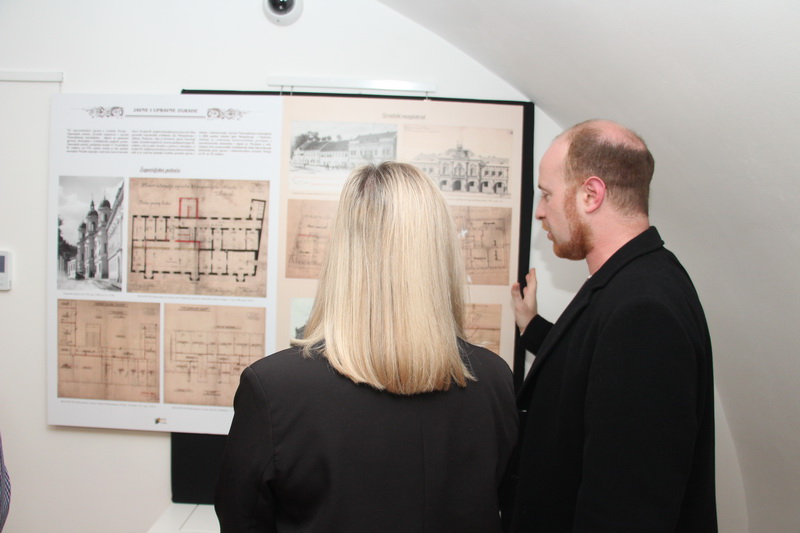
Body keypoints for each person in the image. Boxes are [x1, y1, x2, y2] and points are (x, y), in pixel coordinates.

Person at [215, 162, 518, 533]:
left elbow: (243, 521)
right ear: (440, 255)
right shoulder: (494, 380)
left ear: (343, 254)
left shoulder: (273, 390)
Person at [503, 120, 717, 532]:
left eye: (546, 194)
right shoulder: (634, 280)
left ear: (591, 195)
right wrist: (532, 327)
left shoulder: (644, 310)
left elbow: (627, 508)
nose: (540, 211)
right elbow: (596, 369)